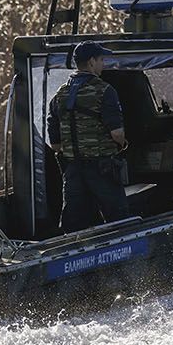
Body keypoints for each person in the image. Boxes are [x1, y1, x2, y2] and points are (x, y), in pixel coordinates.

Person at [47, 42, 131, 231]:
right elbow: (117, 133)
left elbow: (55, 144)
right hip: (102, 168)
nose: (103, 64)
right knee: (119, 221)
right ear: (92, 62)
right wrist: (122, 144)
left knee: (74, 224)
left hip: (73, 171)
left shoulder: (60, 93)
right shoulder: (105, 91)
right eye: (101, 60)